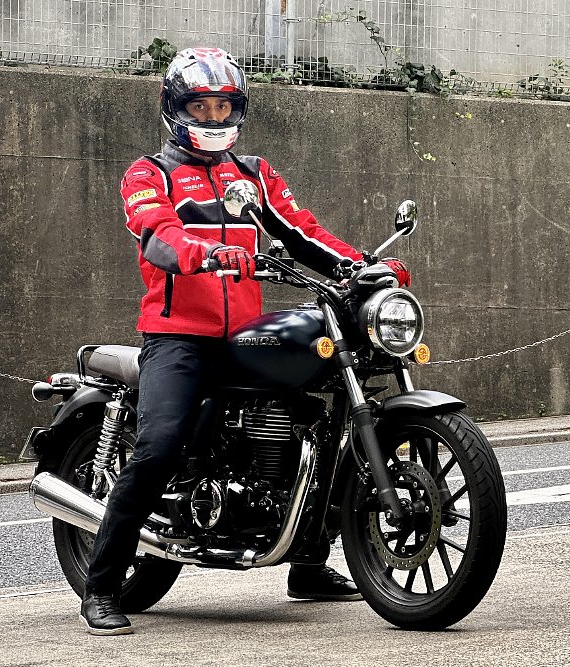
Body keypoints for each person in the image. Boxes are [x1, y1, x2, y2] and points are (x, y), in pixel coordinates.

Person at [79, 47, 411, 635]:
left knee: (318, 411)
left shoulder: (254, 174)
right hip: (178, 337)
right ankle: (102, 587)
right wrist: (205, 253)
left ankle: (306, 564)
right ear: (175, 109)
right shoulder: (147, 174)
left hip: (244, 334)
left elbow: (302, 232)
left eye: (223, 105)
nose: (212, 117)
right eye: (200, 106)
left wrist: (363, 266)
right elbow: (158, 237)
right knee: (158, 446)